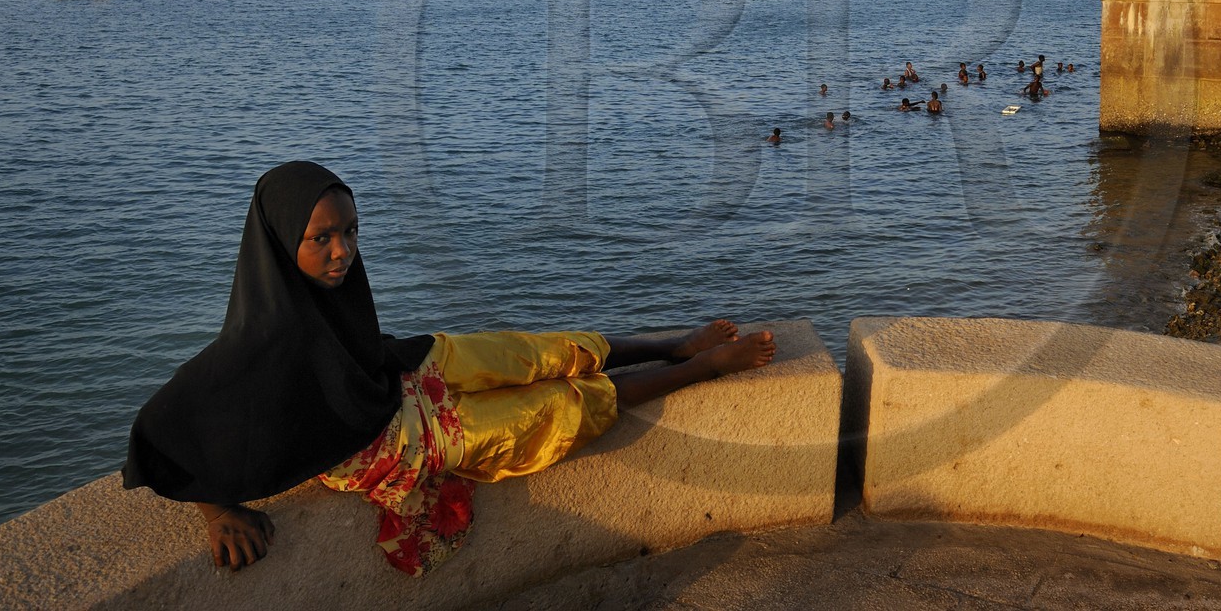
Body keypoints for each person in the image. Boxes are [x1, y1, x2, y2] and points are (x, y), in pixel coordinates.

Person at [123, 163, 775, 576]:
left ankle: (672, 346)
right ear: (279, 242)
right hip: (387, 445)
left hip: (398, 375)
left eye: (349, 231)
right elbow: (159, 437)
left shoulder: (337, 295)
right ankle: (706, 368)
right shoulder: (252, 347)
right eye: (320, 238)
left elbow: (361, 349)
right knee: (555, 409)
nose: (342, 252)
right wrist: (215, 513)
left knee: (534, 352)